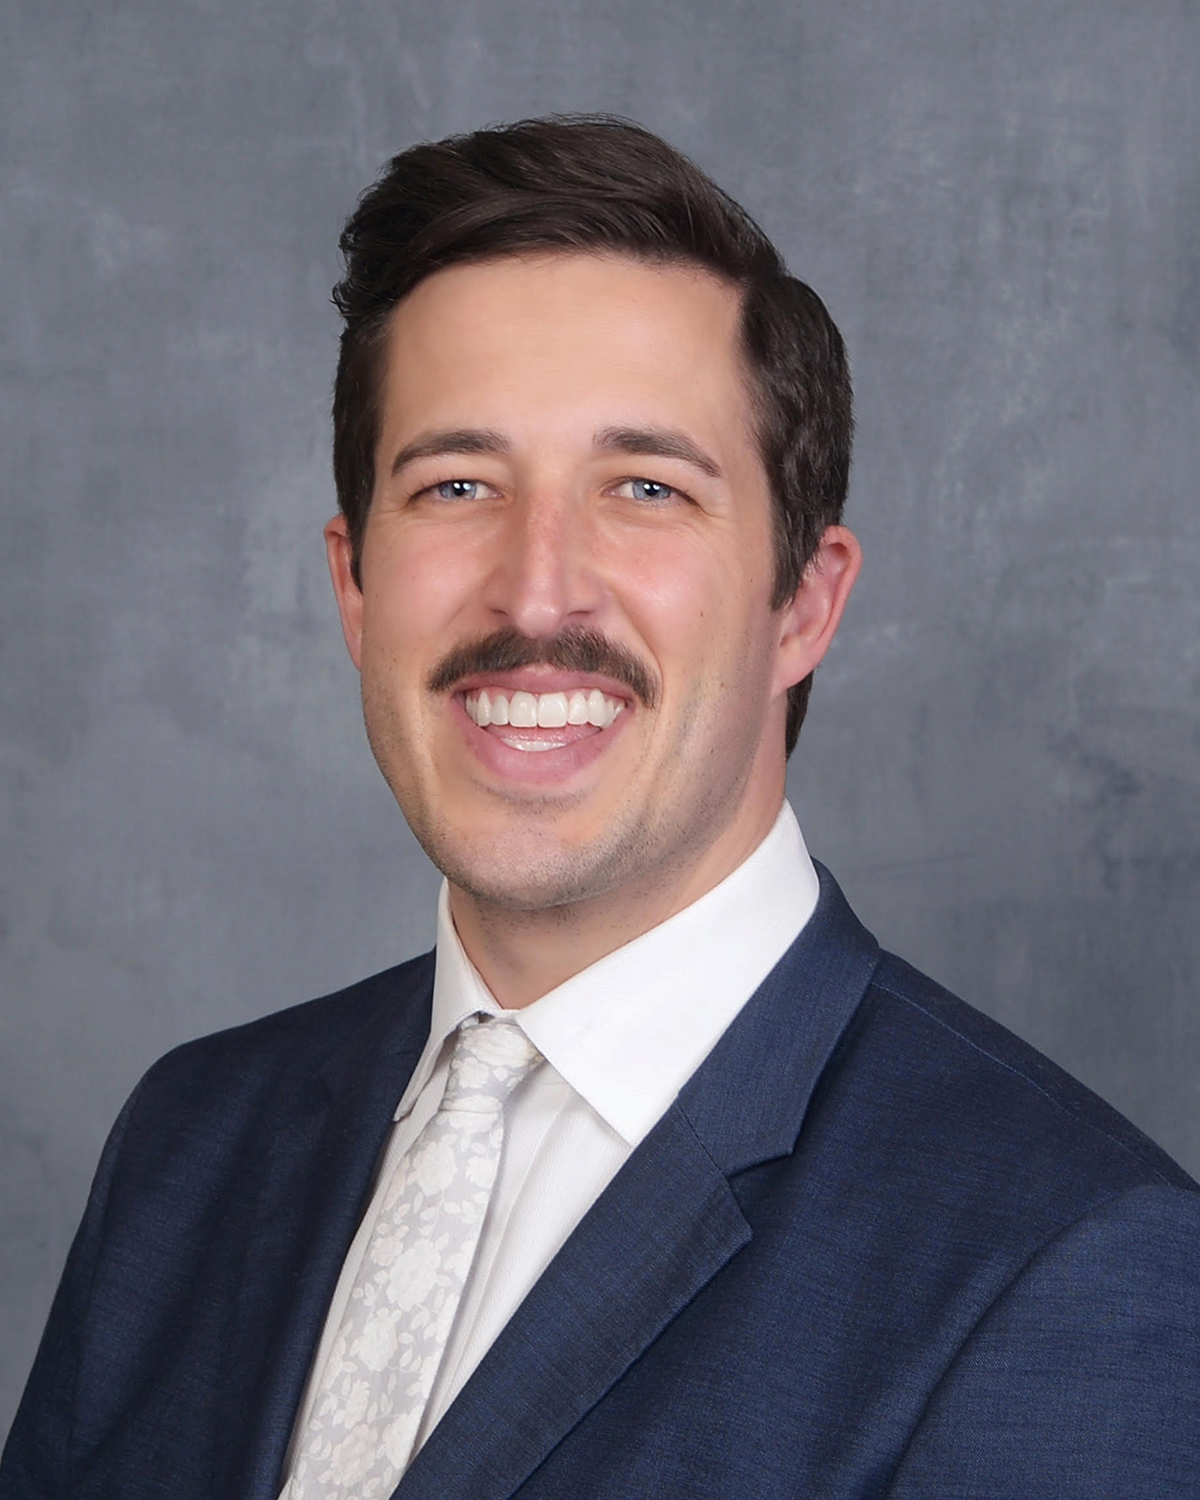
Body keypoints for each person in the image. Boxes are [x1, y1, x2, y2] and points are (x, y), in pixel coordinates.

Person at [3, 114, 1198, 1500]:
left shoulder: (1070, 1270)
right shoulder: (191, 1144)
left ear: (803, 604)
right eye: (457, 485)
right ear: (354, 586)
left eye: (645, 488)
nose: (536, 592)